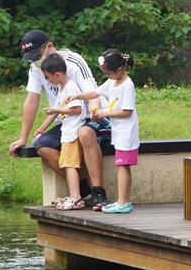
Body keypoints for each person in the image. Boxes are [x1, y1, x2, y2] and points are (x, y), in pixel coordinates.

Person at [8, 30, 111, 209]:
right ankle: (81, 192)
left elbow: (94, 93)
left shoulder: (73, 62)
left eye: (37, 56)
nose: (35, 62)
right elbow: (32, 100)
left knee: (85, 132)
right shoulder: (36, 68)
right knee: (42, 146)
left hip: (90, 116)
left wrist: (95, 111)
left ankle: (98, 193)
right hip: (67, 120)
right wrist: (23, 138)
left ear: (49, 47)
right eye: (31, 58)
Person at [65, 49, 139, 214]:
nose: (108, 76)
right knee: (121, 166)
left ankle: (123, 202)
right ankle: (122, 201)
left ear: (119, 70)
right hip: (120, 133)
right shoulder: (112, 82)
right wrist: (77, 96)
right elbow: (95, 92)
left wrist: (104, 113)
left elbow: (127, 111)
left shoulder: (127, 86)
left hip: (127, 133)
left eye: (109, 73)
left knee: (123, 166)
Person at [39, 54, 86, 210]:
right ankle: (74, 196)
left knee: (69, 165)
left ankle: (76, 198)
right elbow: (55, 112)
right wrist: (42, 128)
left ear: (57, 75)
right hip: (67, 132)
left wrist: (57, 109)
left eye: (47, 77)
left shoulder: (71, 87)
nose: (47, 81)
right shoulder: (62, 89)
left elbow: (77, 109)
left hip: (72, 133)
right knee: (67, 164)